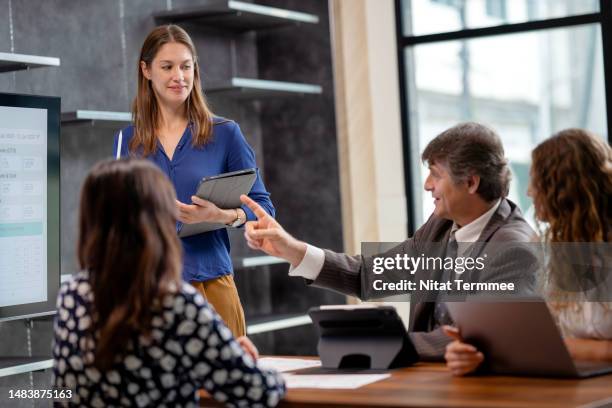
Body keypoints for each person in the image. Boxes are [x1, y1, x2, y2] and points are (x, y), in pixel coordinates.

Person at [240, 122, 538, 360]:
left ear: (471, 182)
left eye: (436, 175)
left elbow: (476, 336)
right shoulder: (439, 228)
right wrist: (291, 249)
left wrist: (379, 340)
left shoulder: (514, 248)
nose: (427, 185)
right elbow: (368, 275)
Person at [52, 158, 285, 407]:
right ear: (159, 222)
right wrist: (236, 358)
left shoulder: (71, 296)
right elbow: (259, 391)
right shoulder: (176, 304)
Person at [114, 25, 275, 337]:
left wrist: (223, 216)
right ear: (146, 70)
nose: (179, 76)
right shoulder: (126, 141)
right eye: (167, 66)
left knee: (228, 384)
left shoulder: (226, 133)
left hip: (212, 286)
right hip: (148, 289)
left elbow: (264, 208)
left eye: (186, 66)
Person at [444, 128, 612, 375]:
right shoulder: (553, 253)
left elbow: (552, 344)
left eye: (538, 181)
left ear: (565, 188)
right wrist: (472, 353)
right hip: (570, 384)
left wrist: (568, 348)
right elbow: (534, 337)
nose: (529, 192)